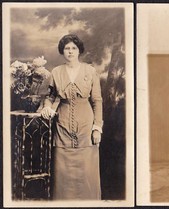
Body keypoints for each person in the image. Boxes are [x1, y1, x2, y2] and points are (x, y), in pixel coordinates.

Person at [41, 34, 103, 200]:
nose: (70, 51)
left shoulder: (90, 71)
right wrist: (47, 107)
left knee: (87, 171)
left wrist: (97, 128)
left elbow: (97, 101)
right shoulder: (56, 72)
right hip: (62, 126)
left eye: (73, 48)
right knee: (63, 171)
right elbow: (50, 96)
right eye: (67, 48)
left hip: (86, 126)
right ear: (62, 51)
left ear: (79, 51)